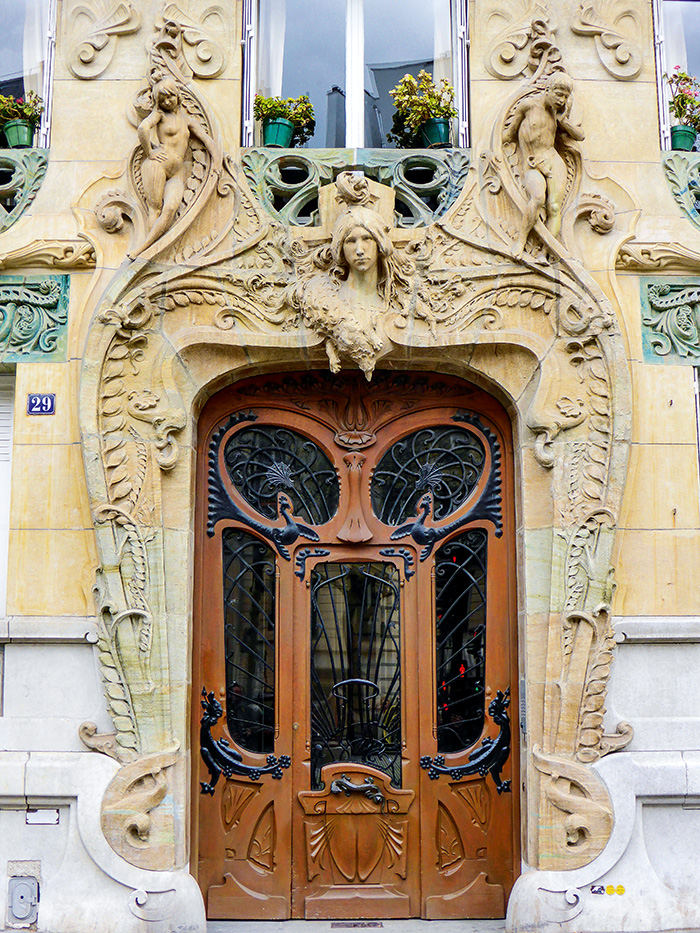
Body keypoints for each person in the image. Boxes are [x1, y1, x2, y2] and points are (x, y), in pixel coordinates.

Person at [297, 204, 410, 379]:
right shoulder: (324, 301)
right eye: (351, 241)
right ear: (341, 248)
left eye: (367, 239)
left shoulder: (403, 302)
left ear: (380, 244)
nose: (359, 250)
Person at [130, 75, 219, 258]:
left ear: (177, 95)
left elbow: (206, 140)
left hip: (177, 171)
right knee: (154, 209)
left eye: (170, 96)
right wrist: (150, 152)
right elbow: (143, 129)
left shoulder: (187, 120)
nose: (168, 101)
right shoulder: (159, 115)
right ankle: (144, 252)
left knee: (170, 208)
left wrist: (218, 162)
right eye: (163, 99)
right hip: (157, 165)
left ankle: (147, 249)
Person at [503, 71, 585, 258]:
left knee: (554, 207)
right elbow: (508, 135)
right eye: (558, 94)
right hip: (532, 162)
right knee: (538, 197)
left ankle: (545, 253)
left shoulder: (561, 111)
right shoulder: (527, 106)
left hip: (552, 158)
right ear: (547, 90)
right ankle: (521, 240)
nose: (562, 100)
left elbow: (580, 135)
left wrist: (563, 121)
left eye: (565, 96)